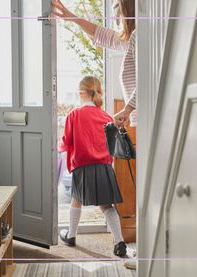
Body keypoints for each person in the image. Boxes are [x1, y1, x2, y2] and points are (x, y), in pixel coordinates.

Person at [58, 76, 127, 257]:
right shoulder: (106, 116)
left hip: (83, 165)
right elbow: (111, 145)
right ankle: (120, 241)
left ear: (81, 93)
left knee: (76, 198)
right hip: (104, 166)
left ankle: (71, 236)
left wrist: (58, 149)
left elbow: (65, 141)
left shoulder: (74, 114)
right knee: (106, 204)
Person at [52, 0, 137, 128]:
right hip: (140, 116)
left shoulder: (138, 37)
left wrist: (127, 109)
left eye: (117, 16)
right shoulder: (131, 40)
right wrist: (73, 18)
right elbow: (100, 34)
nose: (116, 21)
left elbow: (145, 79)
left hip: (146, 115)